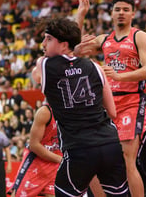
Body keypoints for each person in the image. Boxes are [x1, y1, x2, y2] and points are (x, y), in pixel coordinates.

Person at [32, 16, 128, 196]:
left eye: (49, 39)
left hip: (79, 147)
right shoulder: (96, 67)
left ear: (64, 44)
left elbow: (37, 75)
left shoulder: (44, 65)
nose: (43, 43)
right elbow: (112, 111)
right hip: (110, 143)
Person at [75, 0, 146, 197]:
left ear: (133, 13)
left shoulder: (140, 37)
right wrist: (81, 15)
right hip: (106, 102)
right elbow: (74, 49)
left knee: (127, 159)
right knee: (92, 158)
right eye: (117, 9)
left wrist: (119, 75)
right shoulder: (104, 39)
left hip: (131, 100)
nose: (121, 13)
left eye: (125, 9)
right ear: (111, 13)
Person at [8, 103, 62, 197]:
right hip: (37, 161)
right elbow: (34, 145)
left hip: (55, 164)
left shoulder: (71, 111)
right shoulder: (45, 112)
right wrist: (60, 159)